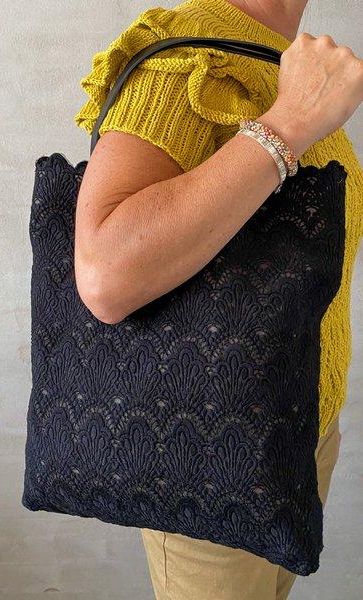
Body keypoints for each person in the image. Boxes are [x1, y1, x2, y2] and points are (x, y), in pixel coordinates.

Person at [73, 0, 363, 598]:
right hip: (214, 459)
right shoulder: (186, 56)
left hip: (304, 431)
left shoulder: (288, 58)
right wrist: (289, 124)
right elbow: (106, 274)